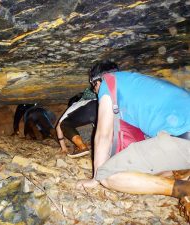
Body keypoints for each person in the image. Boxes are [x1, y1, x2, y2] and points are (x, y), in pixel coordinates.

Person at [77, 60, 190, 222]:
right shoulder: (139, 83)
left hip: (183, 139)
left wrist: (96, 178)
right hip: (182, 135)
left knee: (108, 176)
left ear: (96, 81)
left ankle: (184, 189)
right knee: (152, 173)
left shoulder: (107, 83)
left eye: (94, 87)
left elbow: (103, 134)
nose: (96, 92)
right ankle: (184, 173)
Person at [56, 87, 98, 158]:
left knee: (65, 124)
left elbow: (58, 126)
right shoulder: (92, 100)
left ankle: (82, 147)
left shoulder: (74, 105)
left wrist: (63, 148)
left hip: (89, 108)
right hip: (101, 105)